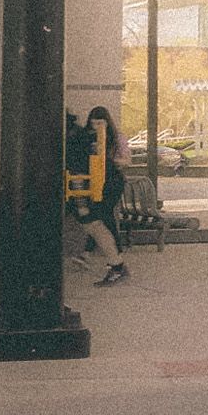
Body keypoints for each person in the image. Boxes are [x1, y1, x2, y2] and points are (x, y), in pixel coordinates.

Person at [74, 105, 129, 286]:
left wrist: (108, 160)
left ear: (107, 122)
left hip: (111, 182)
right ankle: (115, 261)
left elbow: (126, 160)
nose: (97, 126)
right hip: (97, 183)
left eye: (100, 123)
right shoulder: (87, 139)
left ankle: (115, 261)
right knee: (101, 219)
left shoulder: (115, 138)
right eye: (94, 123)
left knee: (102, 217)